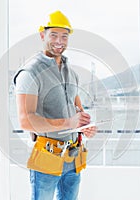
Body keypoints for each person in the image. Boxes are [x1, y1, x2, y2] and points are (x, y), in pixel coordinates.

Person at [13, 10, 96, 200]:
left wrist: (85, 127)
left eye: (64, 36)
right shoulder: (30, 72)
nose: (59, 41)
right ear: (43, 35)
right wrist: (69, 123)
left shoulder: (71, 73)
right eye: (54, 35)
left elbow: (78, 112)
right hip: (48, 156)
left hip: (73, 156)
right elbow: (26, 121)